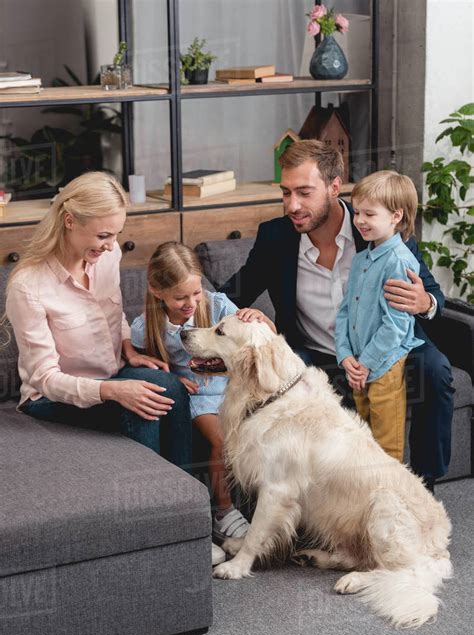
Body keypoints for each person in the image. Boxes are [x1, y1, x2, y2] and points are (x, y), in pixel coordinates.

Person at [219, 140, 454, 492]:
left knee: (434, 370)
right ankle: (293, 499)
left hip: (388, 347)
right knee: (279, 383)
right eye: (285, 193)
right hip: (314, 354)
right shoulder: (276, 237)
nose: (292, 205)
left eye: (304, 192)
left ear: (334, 187)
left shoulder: (378, 229)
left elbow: (435, 297)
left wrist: (424, 303)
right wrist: (252, 324)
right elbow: (231, 295)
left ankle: (423, 484)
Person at [5, 171, 192, 470]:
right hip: (53, 397)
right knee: (142, 409)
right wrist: (112, 391)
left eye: (116, 234)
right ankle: (151, 509)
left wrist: (128, 348)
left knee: (171, 388)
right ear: (69, 221)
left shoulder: (107, 255)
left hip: (111, 374)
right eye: (103, 235)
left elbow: (113, 312)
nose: (110, 245)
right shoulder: (28, 287)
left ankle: (192, 500)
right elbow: (45, 379)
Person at [130, 242, 276, 562]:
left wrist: (262, 319)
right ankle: (223, 512)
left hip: (229, 388)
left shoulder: (217, 305)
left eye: (195, 293)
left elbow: (264, 339)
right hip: (197, 396)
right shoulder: (147, 326)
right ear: (158, 292)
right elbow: (135, 359)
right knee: (223, 439)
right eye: (181, 297)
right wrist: (170, 377)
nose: (191, 303)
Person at [335, 171, 425, 462]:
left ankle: (394, 499)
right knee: (365, 440)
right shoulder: (362, 259)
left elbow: (396, 325)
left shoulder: (399, 262)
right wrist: (345, 355)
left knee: (387, 447)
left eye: (369, 214)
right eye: (357, 212)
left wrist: (365, 364)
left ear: (396, 216)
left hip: (384, 365)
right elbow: (345, 311)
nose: (359, 220)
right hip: (359, 366)